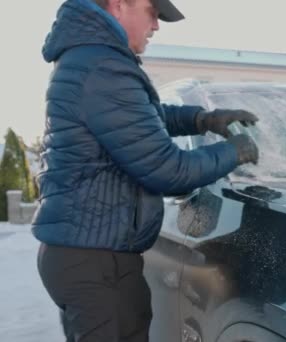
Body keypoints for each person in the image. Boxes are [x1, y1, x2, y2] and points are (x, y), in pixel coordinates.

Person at [32, 0, 260, 340]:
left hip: (90, 252)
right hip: (95, 262)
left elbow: (142, 118)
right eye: (153, 12)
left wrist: (201, 120)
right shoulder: (102, 66)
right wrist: (233, 152)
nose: (156, 26)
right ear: (120, 4)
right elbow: (167, 169)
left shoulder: (93, 59)